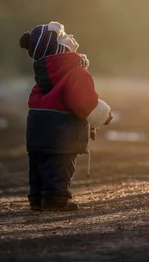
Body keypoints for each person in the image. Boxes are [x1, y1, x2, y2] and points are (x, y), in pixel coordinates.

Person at [19, 22, 112, 212]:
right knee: (59, 168)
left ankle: (37, 199)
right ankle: (55, 200)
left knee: (38, 166)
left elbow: (38, 99)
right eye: (64, 36)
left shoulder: (44, 75)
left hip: (36, 130)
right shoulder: (75, 72)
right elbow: (84, 101)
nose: (70, 35)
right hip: (61, 132)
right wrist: (103, 115)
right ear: (60, 48)